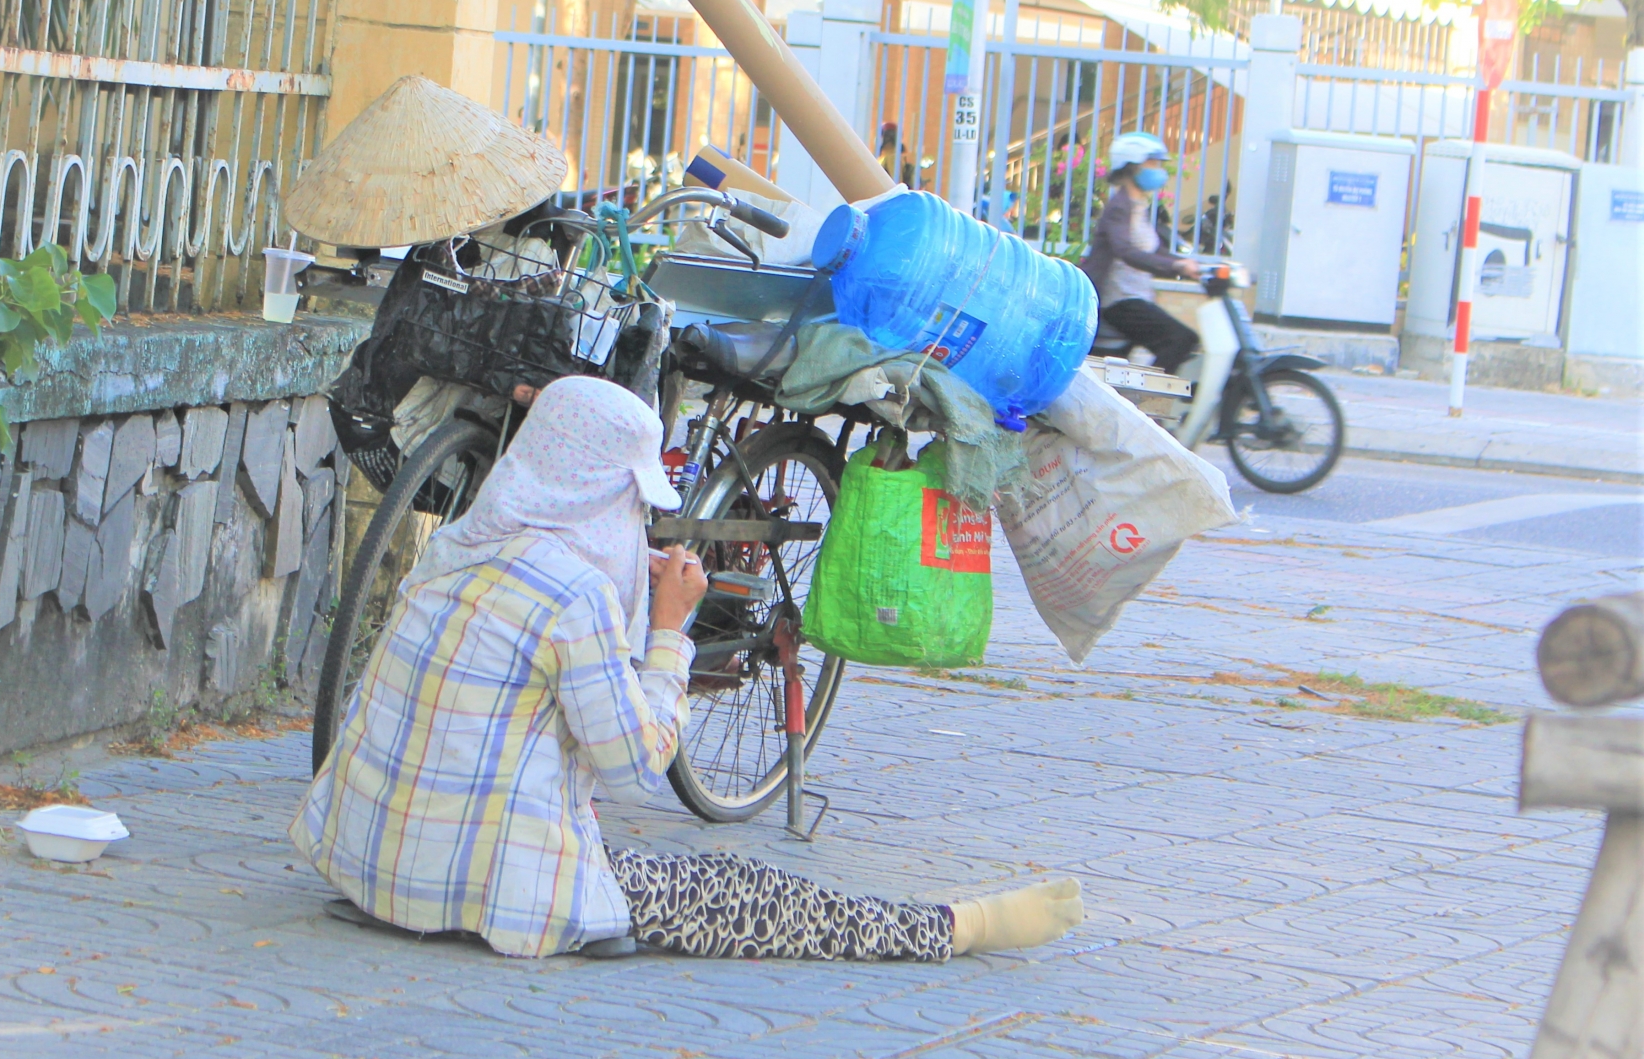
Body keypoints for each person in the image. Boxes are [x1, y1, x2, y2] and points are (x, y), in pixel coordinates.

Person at [292, 375, 1084, 961]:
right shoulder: (576, 597)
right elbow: (638, 759)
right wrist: (669, 630)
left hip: (367, 868)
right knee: (740, 891)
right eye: (634, 503)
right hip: (493, 898)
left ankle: (949, 924)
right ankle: (950, 927)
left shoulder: (453, 551)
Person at [1080, 131, 1202, 373]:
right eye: (1151, 164)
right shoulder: (1119, 207)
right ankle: (1150, 403)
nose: (1157, 170)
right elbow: (1125, 251)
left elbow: (1155, 250)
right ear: (1131, 167)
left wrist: (1188, 265)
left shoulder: (1138, 206)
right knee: (1179, 339)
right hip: (1119, 301)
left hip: (1136, 298)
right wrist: (1176, 267)